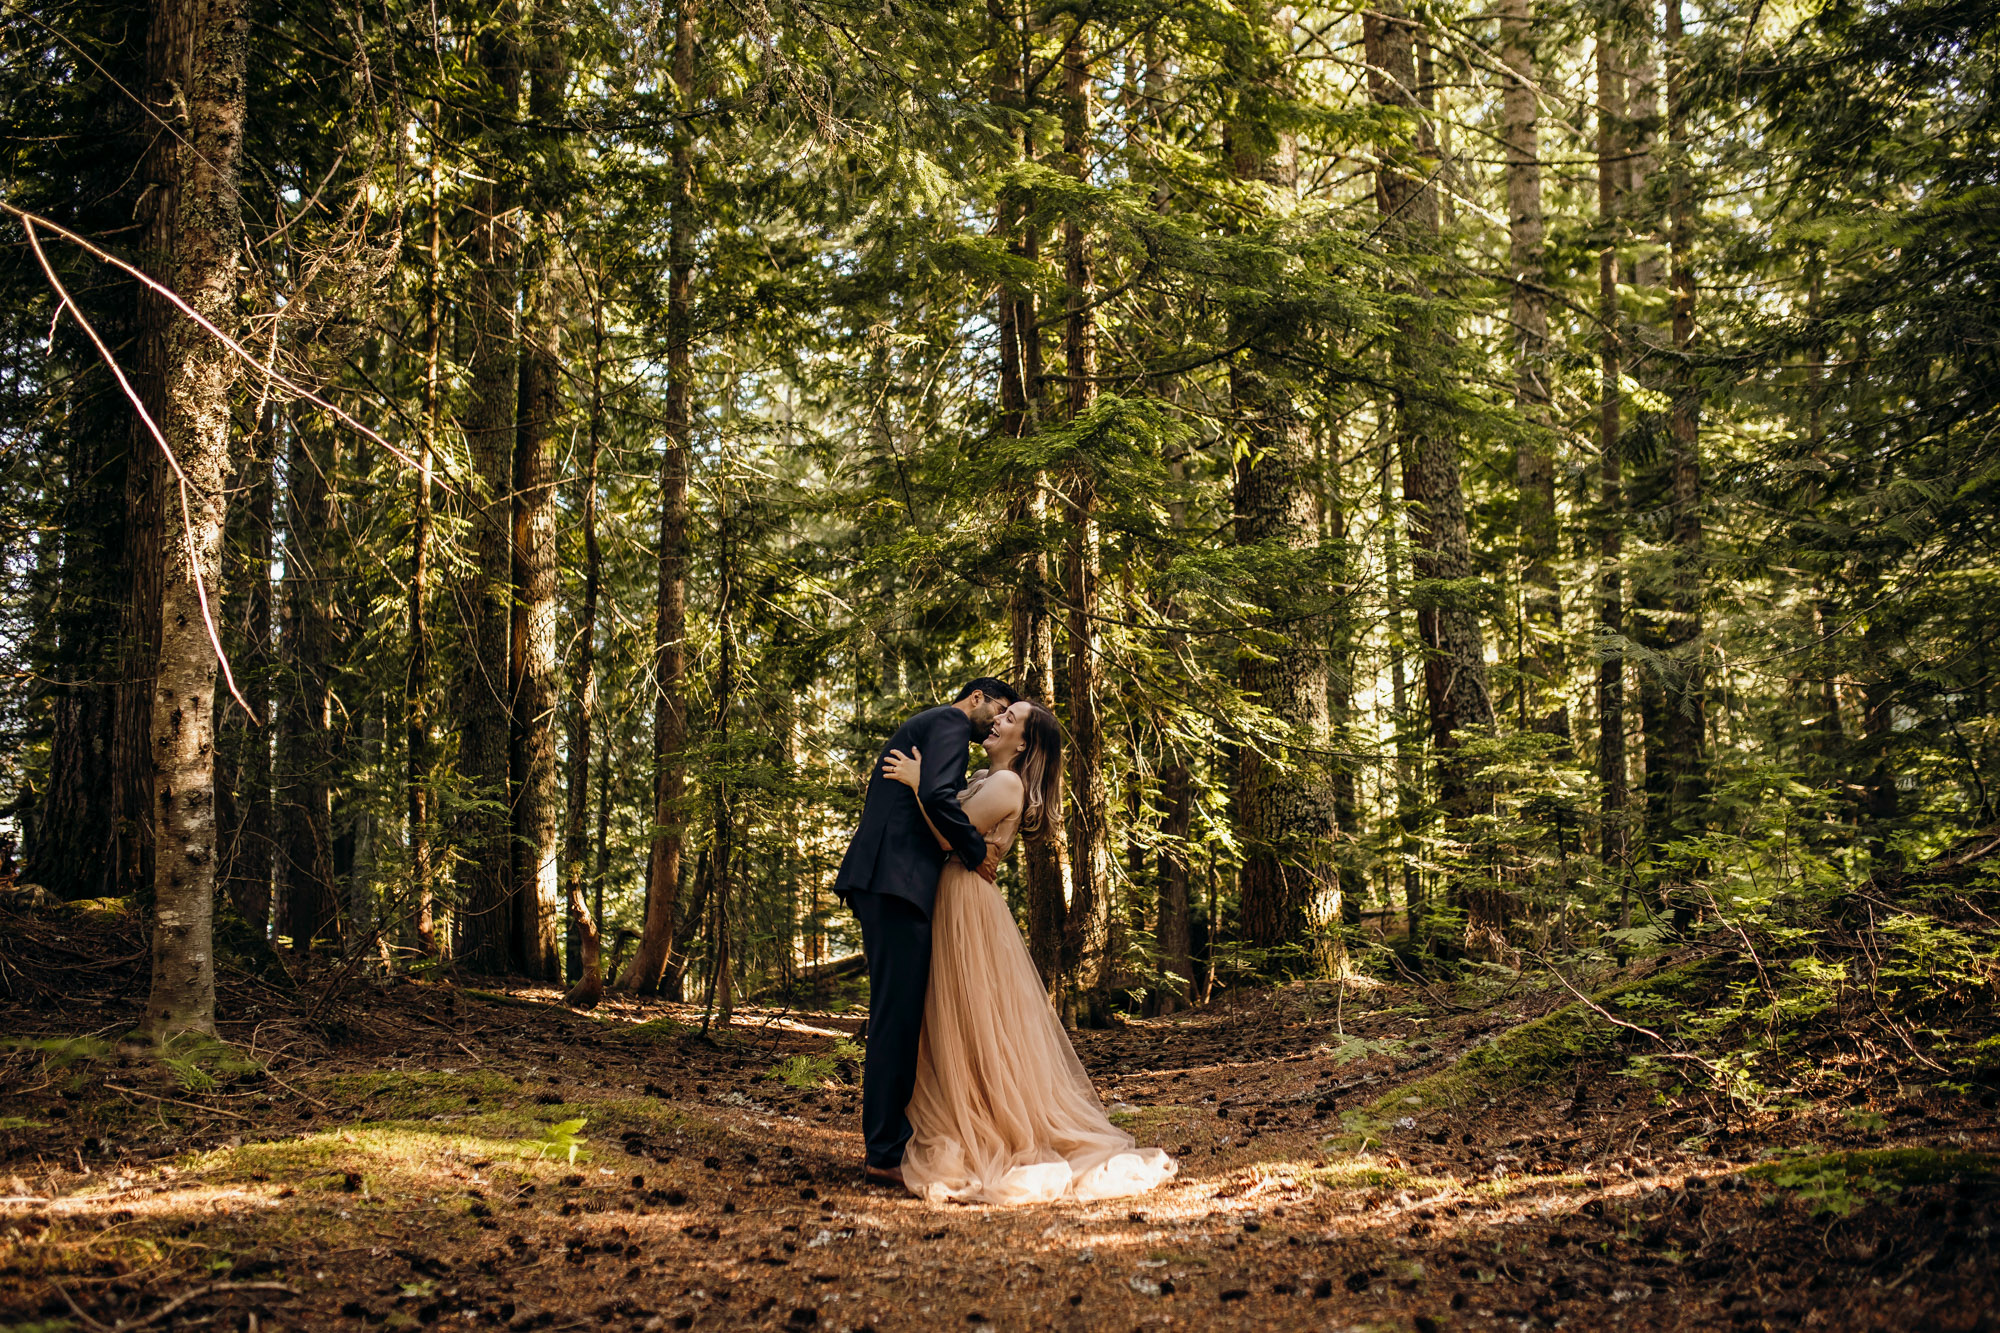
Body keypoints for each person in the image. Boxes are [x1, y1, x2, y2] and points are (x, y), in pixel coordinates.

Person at [879, 699, 1180, 1205]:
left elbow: (944, 833)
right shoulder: (984, 775)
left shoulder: (1007, 784)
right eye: (1001, 714)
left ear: (1024, 744)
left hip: (965, 902)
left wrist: (917, 782)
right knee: (956, 1017)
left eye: (1010, 719)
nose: (997, 721)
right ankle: (960, 1107)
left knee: (971, 1015)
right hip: (952, 894)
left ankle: (987, 1120)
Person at [832, 677, 1018, 1190]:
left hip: (894, 882)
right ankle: (884, 1152)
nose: (995, 722)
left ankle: (890, 1142)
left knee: (903, 1014)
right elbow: (938, 797)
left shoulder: (941, 727)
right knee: (897, 1017)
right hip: (893, 883)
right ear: (976, 699)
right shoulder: (951, 723)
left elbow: (932, 795)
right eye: (998, 709)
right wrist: (978, 854)